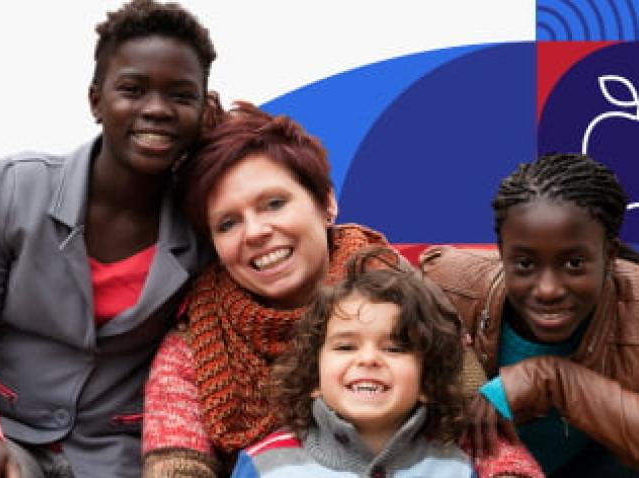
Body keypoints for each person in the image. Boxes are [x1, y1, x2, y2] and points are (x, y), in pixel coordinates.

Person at [142, 103, 542, 477]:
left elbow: (484, 440)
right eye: (227, 223)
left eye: (274, 203)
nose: (256, 232)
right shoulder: (196, 342)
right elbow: (176, 460)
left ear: (326, 204)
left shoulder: (405, 299)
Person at [0, 1, 220, 476]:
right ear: (96, 100)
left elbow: (280, 206)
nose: (157, 109)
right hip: (5, 432)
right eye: (132, 89)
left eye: (181, 96)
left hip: (119, 451)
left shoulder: (209, 225)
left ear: (205, 110)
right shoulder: (13, 190)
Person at [420, 153, 639, 477]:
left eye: (574, 264)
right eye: (525, 264)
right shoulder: (449, 288)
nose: (548, 290)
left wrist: (556, 379)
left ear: (609, 256)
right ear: (502, 254)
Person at [231, 248, 543, 478]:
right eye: (346, 346)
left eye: (394, 348)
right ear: (314, 377)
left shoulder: (458, 464)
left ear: (427, 382)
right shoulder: (265, 464)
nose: (368, 359)